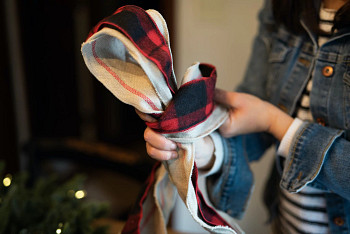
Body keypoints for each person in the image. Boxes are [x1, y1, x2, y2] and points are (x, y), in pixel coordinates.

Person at [137, 0, 350, 233]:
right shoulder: (283, 7)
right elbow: (252, 122)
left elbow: (264, 117)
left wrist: (274, 121)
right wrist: (208, 149)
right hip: (284, 224)